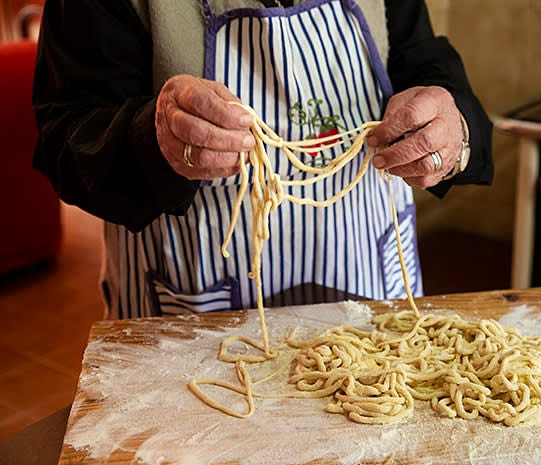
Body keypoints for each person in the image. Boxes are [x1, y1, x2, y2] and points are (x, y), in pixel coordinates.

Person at [33, 0, 493, 320]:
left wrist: (456, 128)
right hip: (195, 317)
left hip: (370, 301)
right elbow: (67, 136)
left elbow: (424, 61)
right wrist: (150, 137)